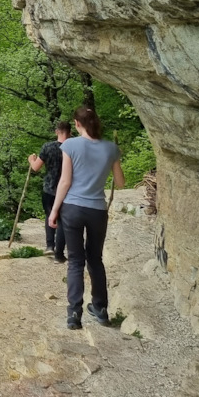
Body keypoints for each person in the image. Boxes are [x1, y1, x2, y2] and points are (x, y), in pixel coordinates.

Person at [48, 104, 125, 330]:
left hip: (72, 208)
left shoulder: (70, 145)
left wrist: (54, 211)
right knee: (95, 259)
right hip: (97, 210)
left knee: (75, 261)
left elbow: (65, 181)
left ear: (77, 124)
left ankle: (74, 313)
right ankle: (100, 309)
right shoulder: (111, 148)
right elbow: (120, 183)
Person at [28, 120, 71, 262]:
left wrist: (31, 160)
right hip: (67, 188)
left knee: (49, 216)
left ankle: (49, 246)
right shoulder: (72, 147)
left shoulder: (48, 147)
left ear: (56, 131)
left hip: (49, 187)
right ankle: (61, 250)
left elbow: (36, 167)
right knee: (63, 219)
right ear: (70, 132)